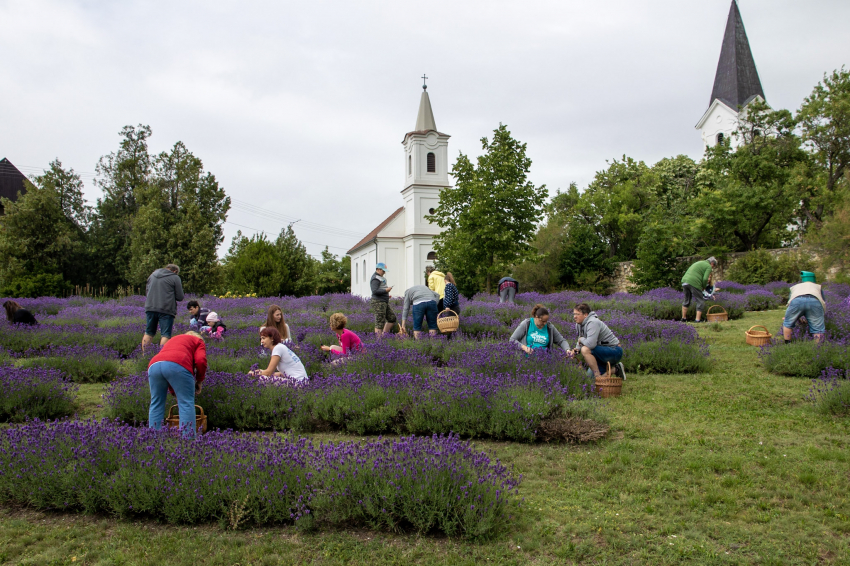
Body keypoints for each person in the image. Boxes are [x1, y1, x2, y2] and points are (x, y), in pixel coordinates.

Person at [148, 331, 207, 438]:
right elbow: (200, 361)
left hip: (154, 365)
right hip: (179, 364)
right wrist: (199, 380)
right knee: (185, 403)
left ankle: (153, 439)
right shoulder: (198, 341)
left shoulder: (173, 339)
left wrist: (174, 392)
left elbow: (167, 366)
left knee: (156, 402)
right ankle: (188, 440)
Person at [572, 303, 625, 380]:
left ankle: (597, 376)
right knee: (589, 380)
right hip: (600, 354)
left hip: (614, 351)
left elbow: (590, 344)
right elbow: (582, 339)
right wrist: (576, 350)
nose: (575, 317)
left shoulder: (593, 322)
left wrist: (581, 340)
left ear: (586, 315)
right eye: (574, 314)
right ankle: (616, 369)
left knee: (585, 349)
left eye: (577, 314)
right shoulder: (579, 324)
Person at [142, 264, 184, 351]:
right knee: (165, 334)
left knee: (149, 332)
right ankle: (162, 357)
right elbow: (180, 297)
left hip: (150, 307)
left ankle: (145, 355)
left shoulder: (152, 275)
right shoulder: (175, 277)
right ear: (175, 271)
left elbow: (147, 292)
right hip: (166, 309)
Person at [783, 274, 827, 343]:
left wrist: (792, 316)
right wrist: (820, 314)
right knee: (818, 328)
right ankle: (819, 348)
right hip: (814, 301)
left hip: (797, 300)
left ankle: (787, 343)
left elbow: (790, 301)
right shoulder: (818, 287)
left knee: (788, 323)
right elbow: (823, 301)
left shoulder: (796, 286)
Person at [681, 257, 717, 323]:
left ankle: (683, 318)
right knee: (700, 300)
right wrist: (703, 286)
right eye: (713, 266)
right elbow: (705, 279)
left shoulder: (699, 262)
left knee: (687, 299)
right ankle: (697, 320)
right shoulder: (708, 266)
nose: (712, 268)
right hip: (694, 282)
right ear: (712, 263)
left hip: (684, 281)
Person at [370, 263, 397, 335]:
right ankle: (379, 342)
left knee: (392, 318)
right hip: (378, 302)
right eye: (383, 271)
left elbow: (381, 289)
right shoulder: (375, 278)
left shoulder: (381, 278)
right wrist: (386, 291)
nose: (384, 272)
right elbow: (374, 291)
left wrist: (386, 295)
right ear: (378, 269)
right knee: (380, 321)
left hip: (384, 301)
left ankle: (384, 336)